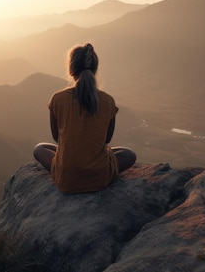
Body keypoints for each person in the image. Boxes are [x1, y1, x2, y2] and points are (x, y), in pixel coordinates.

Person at [34, 43, 136, 193]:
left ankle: (69, 167)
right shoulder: (107, 101)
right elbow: (106, 139)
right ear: (94, 69)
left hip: (66, 179)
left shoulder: (57, 99)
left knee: (40, 148)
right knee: (128, 154)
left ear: (71, 70)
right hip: (99, 178)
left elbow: (57, 137)